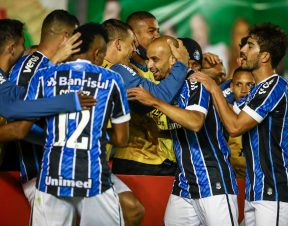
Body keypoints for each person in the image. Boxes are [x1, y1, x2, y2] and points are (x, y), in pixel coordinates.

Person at [189, 23, 288, 226]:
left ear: (265, 56)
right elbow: (227, 110)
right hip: (256, 190)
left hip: (274, 190)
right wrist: (216, 77)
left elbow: (235, 126)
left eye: (250, 45)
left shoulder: (275, 85)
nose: (242, 50)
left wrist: (213, 87)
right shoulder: (257, 91)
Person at [23, 23, 130, 226]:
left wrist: (52, 135)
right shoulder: (113, 79)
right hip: (95, 180)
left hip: (52, 177)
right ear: (98, 53)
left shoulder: (44, 76)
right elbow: (122, 139)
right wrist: (96, 134)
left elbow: (23, 127)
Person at [128, 36, 239, 226]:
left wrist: (155, 101)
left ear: (173, 59)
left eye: (155, 59)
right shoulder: (170, 89)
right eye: (148, 59)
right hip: (185, 184)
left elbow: (195, 122)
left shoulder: (194, 82)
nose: (150, 65)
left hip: (212, 180)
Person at [7, 9, 82, 206]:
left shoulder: (59, 68)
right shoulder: (29, 67)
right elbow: (18, 120)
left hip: (65, 172)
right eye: (76, 36)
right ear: (66, 37)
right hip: (40, 174)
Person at [111, 12, 181, 176]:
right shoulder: (122, 71)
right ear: (133, 36)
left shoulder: (158, 72)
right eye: (151, 31)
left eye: (158, 30)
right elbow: (149, 103)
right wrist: (182, 64)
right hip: (135, 160)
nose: (157, 35)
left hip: (165, 160)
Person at [228, 68, 255, 178]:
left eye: (249, 85)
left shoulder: (265, 114)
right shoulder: (223, 113)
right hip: (231, 180)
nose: (244, 90)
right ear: (231, 87)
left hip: (258, 181)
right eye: (239, 84)